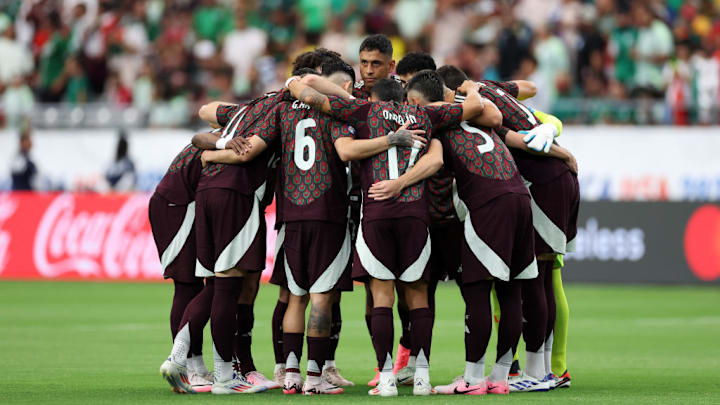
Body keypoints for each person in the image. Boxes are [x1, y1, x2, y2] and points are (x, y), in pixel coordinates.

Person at [286, 74, 489, 396]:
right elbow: (475, 107)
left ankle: (386, 378)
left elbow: (307, 94)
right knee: (418, 295)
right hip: (415, 215)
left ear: (374, 97)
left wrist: (292, 80)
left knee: (382, 296)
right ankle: (422, 376)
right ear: (404, 97)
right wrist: (471, 89)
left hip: (378, 214)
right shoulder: (425, 114)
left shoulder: (364, 112)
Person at [439, 65, 579, 391]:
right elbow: (529, 89)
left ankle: (538, 372)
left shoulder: (475, 103)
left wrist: (560, 151)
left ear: (454, 91)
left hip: (542, 182)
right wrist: (558, 145)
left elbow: (517, 137)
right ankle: (543, 369)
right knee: (543, 277)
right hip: (552, 181)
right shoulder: (491, 87)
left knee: (537, 279)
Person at [398, 70, 535, 395]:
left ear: (415, 101)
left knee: (476, 291)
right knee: (511, 291)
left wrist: (400, 183)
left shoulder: (428, 117)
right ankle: (500, 378)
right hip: (519, 195)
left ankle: (473, 379)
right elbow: (492, 112)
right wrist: (473, 90)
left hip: (488, 202)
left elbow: (432, 162)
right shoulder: (476, 117)